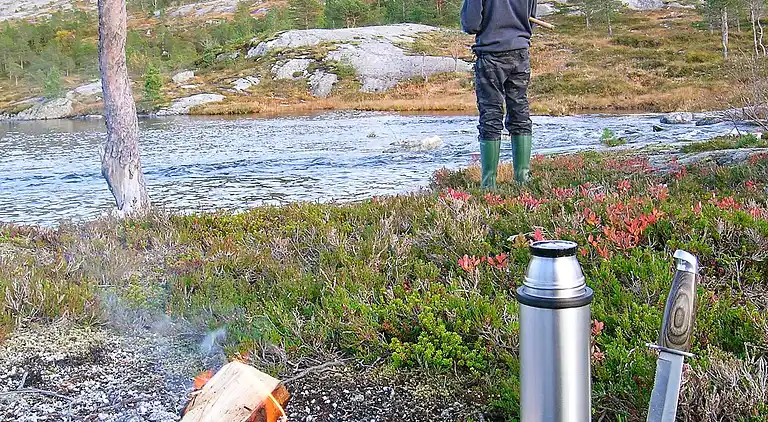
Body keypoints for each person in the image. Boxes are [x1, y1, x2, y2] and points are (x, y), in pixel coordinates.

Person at [461, 0, 537, 188]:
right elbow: (531, 21)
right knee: (520, 111)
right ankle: (522, 180)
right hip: (520, 53)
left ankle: (489, 185)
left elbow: (470, 25)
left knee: (491, 114)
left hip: (491, 55)